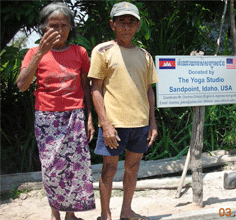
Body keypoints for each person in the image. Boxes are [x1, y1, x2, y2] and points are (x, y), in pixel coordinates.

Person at [16, 2, 95, 220]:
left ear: (70, 28)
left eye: (64, 25)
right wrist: (40, 52)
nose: (59, 31)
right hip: (47, 118)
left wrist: (90, 118)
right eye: (53, 25)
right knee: (51, 168)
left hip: (75, 116)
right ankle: (55, 213)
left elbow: (86, 87)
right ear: (44, 27)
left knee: (75, 168)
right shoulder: (34, 52)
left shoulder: (80, 52)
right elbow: (22, 84)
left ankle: (71, 214)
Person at [88, 2, 158, 220]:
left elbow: (149, 91)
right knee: (108, 170)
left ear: (137, 25)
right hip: (114, 125)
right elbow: (95, 88)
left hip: (139, 123)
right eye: (122, 22)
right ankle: (105, 214)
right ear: (113, 25)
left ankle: (126, 211)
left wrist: (153, 123)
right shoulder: (102, 51)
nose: (126, 27)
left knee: (133, 168)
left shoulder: (145, 55)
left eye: (131, 22)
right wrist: (105, 124)